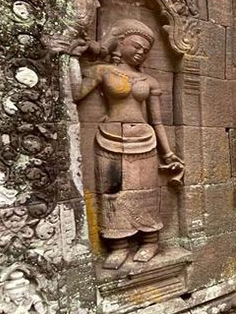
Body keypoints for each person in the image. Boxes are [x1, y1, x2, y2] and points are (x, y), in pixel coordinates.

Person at [73, 18, 185, 270]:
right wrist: (70, 57)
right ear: (120, 42)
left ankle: (150, 240)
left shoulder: (149, 81)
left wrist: (167, 153)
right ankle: (119, 246)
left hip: (144, 141)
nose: (140, 52)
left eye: (145, 50)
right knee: (112, 193)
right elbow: (75, 93)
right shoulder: (103, 71)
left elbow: (157, 122)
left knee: (146, 193)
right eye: (136, 46)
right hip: (109, 138)